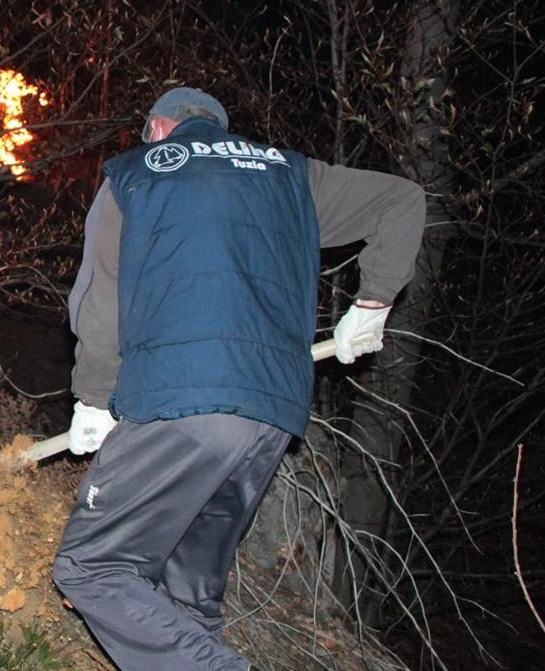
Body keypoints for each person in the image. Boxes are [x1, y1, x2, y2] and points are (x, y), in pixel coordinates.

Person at [52, 87, 425, 671]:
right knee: (188, 594)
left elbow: (102, 295)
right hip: (270, 416)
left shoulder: (133, 175)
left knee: (91, 567)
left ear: (156, 127)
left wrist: (94, 398)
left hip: (182, 401)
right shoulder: (288, 174)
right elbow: (401, 199)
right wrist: (373, 302)